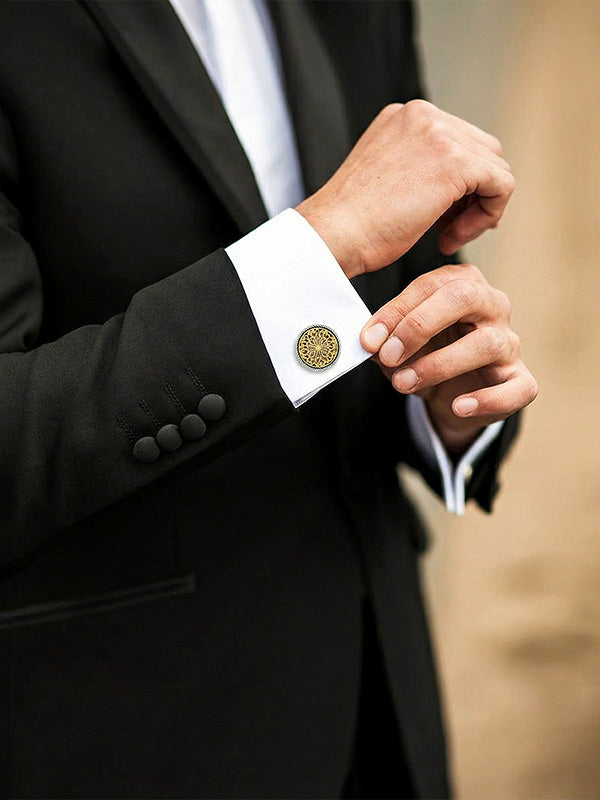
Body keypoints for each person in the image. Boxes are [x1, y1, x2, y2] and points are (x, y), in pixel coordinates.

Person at [0, 1, 537, 797]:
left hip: (382, 707)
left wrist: (448, 403)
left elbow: (362, 320)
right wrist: (317, 245)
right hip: (116, 734)